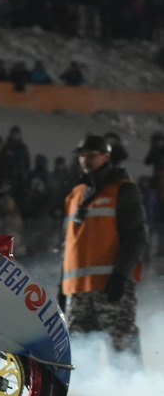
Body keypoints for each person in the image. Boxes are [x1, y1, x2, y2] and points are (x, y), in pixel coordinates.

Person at [60, 134, 148, 359]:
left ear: (107, 156)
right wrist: (63, 284)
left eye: (91, 155)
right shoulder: (75, 195)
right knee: (77, 357)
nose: (85, 159)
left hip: (111, 287)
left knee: (122, 351)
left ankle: (131, 393)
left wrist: (120, 276)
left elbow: (136, 237)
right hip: (78, 291)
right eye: (82, 155)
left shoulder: (123, 190)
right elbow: (71, 243)